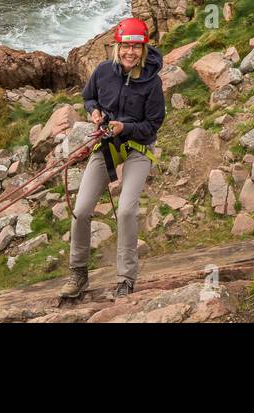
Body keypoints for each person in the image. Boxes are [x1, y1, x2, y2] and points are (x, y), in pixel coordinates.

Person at [61, 16, 166, 300]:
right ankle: (78, 272)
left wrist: (125, 127)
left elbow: (152, 126)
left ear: (143, 49)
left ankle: (125, 278)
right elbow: (89, 97)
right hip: (106, 144)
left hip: (138, 148)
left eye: (136, 48)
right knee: (81, 210)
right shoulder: (104, 71)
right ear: (117, 47)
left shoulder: (152, 83)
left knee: (126, 210)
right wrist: (94, 113)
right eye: (125, 47)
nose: (129, 53)